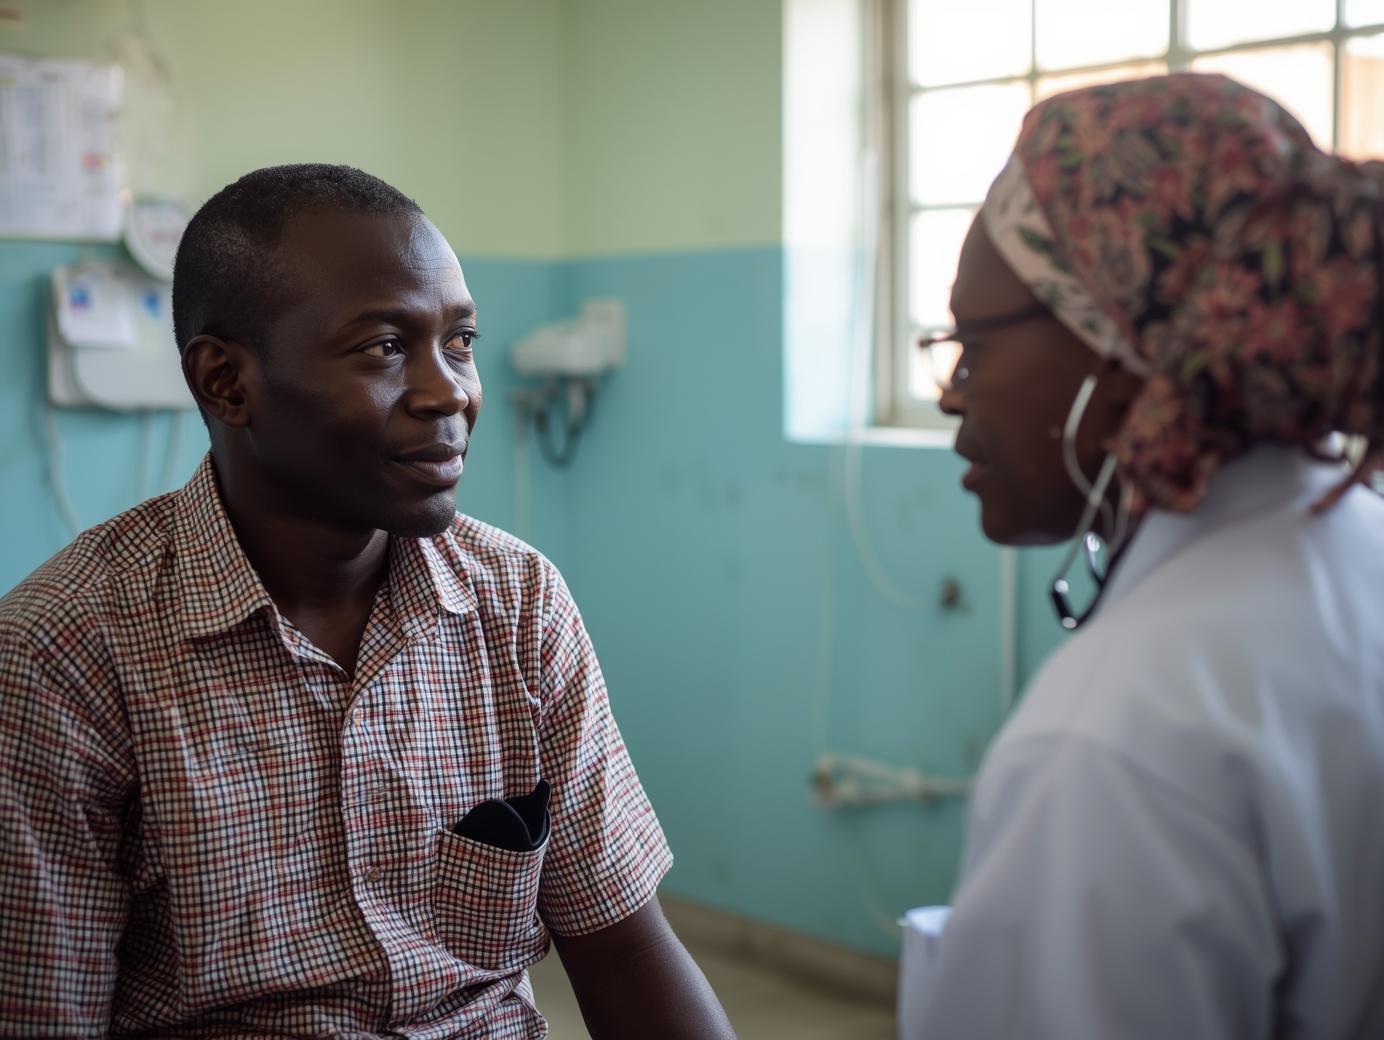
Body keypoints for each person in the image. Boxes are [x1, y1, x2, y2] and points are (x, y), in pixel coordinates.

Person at [0, 164, 736, 1039]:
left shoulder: (518, 603)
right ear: (226, 383)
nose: (449, 392)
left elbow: (624, 953)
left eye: (458, 341)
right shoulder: (62, 657)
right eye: (384, 348)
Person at [903, 74, 1384, 1037]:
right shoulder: (1358, 549)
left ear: (1122, 348)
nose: (953, 395)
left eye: (977, 346)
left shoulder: (1113, 742)